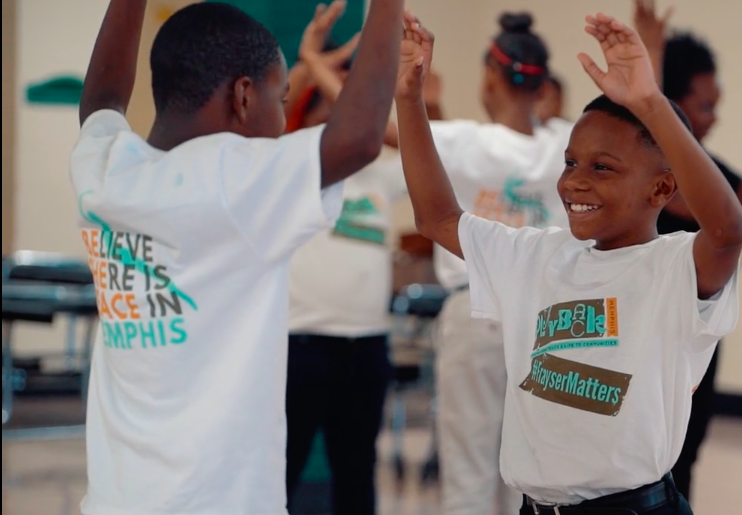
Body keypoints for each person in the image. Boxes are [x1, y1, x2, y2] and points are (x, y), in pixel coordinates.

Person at [395, 11, 742, 515]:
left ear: (662, 188)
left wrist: (650, 101)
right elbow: (436, 217)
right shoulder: (539, 254)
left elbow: (728, 229)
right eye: (570, 162)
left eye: (602, 168)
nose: (575, 182)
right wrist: (409, 97)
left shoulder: (674, 267)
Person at [69, 0, 405, 513]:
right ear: (244, 96)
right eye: (280, 97)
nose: (281, 116)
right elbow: (359, 140)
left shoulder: (107, 170)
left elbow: (101, 102)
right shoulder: (235, 179)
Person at [391, 12, 572, 515]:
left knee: (468, 471)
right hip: (543, 322)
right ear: (540, 84)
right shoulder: (565, 143)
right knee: (525, 474)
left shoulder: (463, 141)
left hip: (474, 317)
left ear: (490, 78)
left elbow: (382, 137)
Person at [632, 0, 742, 500]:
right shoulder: (648, 161)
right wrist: (735, 221)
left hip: (695, 335)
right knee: (654, 458)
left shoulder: (703, 164)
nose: (714, 118)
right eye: (706, 106)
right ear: (675, 100)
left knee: (686, 452)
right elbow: (700, 203)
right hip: (646, 337)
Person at [279, 4, 409, 514]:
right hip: (301, 343)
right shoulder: (292, 162)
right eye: (325, 106)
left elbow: (434, 154)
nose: (339, 117)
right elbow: (268, 118)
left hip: (366, 345)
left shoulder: (377, 171)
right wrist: (309, 61)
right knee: (283, 466)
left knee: (357, 469)